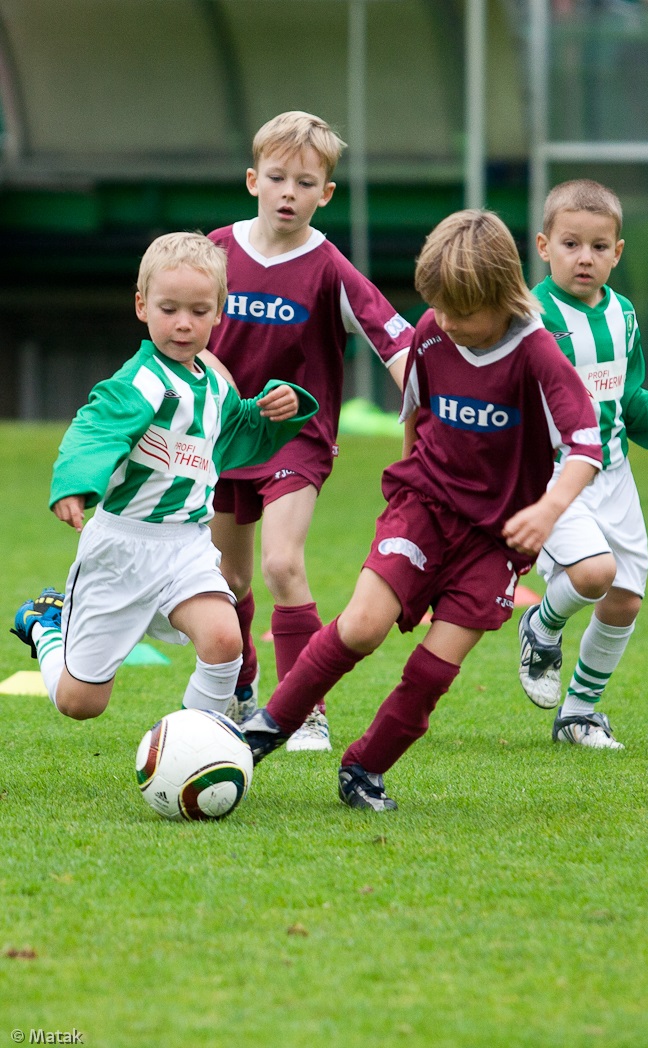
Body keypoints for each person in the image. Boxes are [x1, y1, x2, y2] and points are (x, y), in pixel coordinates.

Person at [240, 209, 604, 810]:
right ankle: (263, 730)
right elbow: (415, 411)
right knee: (361, 626)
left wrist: (548, 510)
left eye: (463, 312)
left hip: (495, 541)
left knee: (436, 667)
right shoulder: (435, 331)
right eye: (440, 308)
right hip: (423, 509)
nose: (448, 323)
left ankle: (364, 768)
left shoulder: (538, 355)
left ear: (504, 296)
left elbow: (586, 448)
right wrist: (408, 491)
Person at [10, 232, 317, 722]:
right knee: (80, 703)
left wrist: (282, 407)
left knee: (223, 639)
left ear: (220, 312)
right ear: (141, 306)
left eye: (198, 311)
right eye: (168, 308)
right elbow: (94, 430)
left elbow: (239, 434)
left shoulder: (215, 384)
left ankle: (195, 748)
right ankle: (48, 625)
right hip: (121, 548)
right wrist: (74, 484)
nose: (182, 323)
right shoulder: (138, 382)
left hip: (186, 544)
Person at [205, 110, 413, 753]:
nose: (288, 192)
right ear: (252, 181)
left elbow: (398, 344)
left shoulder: (329, 268)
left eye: (304, 182)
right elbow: (174, 326)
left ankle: (304, 709)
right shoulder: (215, 250)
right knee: (227, 581)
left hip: (296, 440)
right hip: (221, 440)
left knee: (282, 564)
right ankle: (244, 691)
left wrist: (436, 409)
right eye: (276, 178)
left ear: (326, 193)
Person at [518, 179, 648, 748]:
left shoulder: (624, 315)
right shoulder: (529, 317)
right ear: (544, 246)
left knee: (625, 600)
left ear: (618, 252)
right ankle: (540, 627)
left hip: (614, 476)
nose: (583, 258)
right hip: (554, 478)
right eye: (570, 244)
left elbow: (626, 394)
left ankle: (578, 714)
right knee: (593, 575)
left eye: (597, 246)